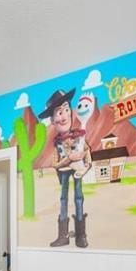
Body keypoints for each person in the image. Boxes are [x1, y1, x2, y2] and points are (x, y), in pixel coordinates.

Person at [41, 89, 90, 248]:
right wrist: (68, 159)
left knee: (78, 197)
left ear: (72, 112)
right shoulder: (57, 143)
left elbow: (87, 151)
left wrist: (86, 165)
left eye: (66, 110)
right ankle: (63, 236)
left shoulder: (78, 136)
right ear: (53, 120)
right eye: (59, 112)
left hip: (77, 171)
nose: (63, 116)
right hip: (63, 172)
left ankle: (81, 235)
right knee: (63, 199)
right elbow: (55, 163)